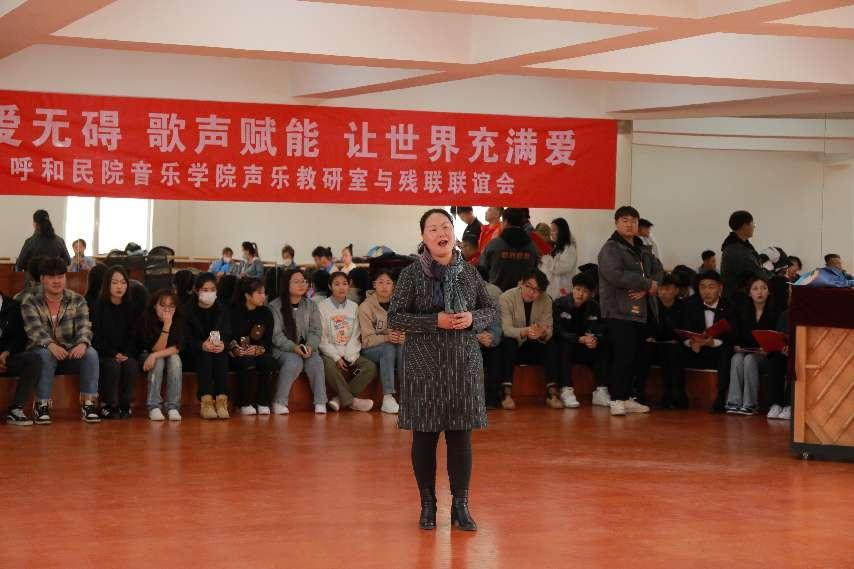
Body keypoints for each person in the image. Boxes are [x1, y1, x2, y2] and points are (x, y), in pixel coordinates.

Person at [388, 208, 497, 532]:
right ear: (423, 237)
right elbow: (395, 317)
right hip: (424, 367)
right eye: (433, 228)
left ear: (454, 232)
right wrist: (434, 321)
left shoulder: (469, 272)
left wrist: (472, 319)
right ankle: (428, 505)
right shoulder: (411, 274)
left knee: (460, 439)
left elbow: (490, 309)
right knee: (424, 439)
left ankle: (460, 506)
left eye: (446, 226)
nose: (441, 233)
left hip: (462, 366)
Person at [597, 206, 663, 416]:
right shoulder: (610, 248)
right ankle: (616, 399)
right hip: (618, 310)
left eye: (633, 221)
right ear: (616, 223)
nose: (629, 224)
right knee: (623, 355)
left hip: (642, 311)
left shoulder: (644, 248)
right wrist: (647, 284)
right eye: (624, 220)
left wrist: (648, 288)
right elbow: (615, 275)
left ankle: (627, 398)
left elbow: (659, 271)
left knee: (637, 355)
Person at [21, 258, 100, 424]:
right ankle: (41, 405)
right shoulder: (31, 300)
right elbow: (34, 330)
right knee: (46, 354)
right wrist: (50, 345)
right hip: (40, 348)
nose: (57, 281)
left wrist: (82, 343)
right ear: (42, 279)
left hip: (69, 348)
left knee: (91, 353)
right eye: (51, 277)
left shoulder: (77, 299)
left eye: (61, 276)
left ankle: (88, 404)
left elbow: (85, 326)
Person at [317, 272, 378, 412]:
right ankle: (352, 401)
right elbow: (322, 338)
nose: (341, 287)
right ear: (330, 286)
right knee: (328, 366)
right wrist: (336, 357)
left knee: (370, 367)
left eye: (344, 284)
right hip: (330, 352)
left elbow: (356, 334)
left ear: (349, 285)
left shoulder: (354, 307)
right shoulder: (322, 307)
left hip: (350, 351)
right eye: (337, 284)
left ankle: (340, 399)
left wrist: (349, 355)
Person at [498, 268, 558, 409]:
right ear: (520, 283)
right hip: (515, 344)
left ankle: (552, 393)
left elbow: (548, 329)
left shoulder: (546, 300)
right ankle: (506, 394)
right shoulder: (506, 297)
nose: (531, 292)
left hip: (534, 344)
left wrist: (542, 333)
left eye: (537, 290)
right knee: (508, 342)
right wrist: (525, 331)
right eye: (528, 286)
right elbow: (505, 329)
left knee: (551, 344)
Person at [270, 269, 328, 415]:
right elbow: (276, 335)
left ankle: (320, 402)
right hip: (283, 349)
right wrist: (294, 347)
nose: (302, 285)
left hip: (306, 348)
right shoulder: (274, 306)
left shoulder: (311, 305)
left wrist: (310, 346)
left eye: (304, 281)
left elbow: (316, 330)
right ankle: (279, 401)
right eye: (296, 282)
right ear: (286, 284)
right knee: (294, 362)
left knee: (316, 362)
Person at [681, 271, 736, 413]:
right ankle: (678, 396)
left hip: (718, 350)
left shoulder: (730, 307)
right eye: (702, 287)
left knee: (726, 352)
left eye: (711, 287)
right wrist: (691, 342)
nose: (706, 291)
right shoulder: (690, 305)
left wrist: (712, 343)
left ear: (720, 288)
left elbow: (733, 335)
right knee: (674, 351)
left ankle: (720, 398)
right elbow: (684, 330)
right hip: (697, 349)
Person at [552, 272, 608, 409]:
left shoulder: (594, 307)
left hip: (585, 347)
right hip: (566, 347)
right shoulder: (559, 304)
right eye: (578, 289)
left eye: (585, 291)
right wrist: (578, 339)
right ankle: (566, 389)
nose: (580, 294)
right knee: (564, 345)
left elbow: (600, 329)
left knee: (603, 346)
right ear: (572, 288)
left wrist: (595, 339)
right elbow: (557, 331)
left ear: (591, 294)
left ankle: (601, 390)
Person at [91, 266, 139, 419]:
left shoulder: (132, 307)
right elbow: (96, 336)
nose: (119, 286)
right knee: (112, 365)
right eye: (115, 282)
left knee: (131, 364)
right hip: (104, 352)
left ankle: (126, 405)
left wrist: (125, 353)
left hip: (125, 353)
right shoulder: (98, 306)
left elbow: (134, 335)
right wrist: (113, 353)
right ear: (107, 284)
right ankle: (108, 404)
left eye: (123, 282)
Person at [726, 276, 778, 415]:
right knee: (736, 358)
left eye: (763, 288)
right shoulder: (742, 312)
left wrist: (767, 349)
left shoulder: (776, 312)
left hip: (767, 356)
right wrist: (737, 346)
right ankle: (734, 402)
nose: (759, 292)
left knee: (749, 359)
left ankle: (750, 404)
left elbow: (777, 339)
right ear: (749, 293)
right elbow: (736, 336)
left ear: (769, 291)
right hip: (747, 352)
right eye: (755, 289)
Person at [184, 273, 231, 419]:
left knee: (220, 355)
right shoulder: (187, 311)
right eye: (205, 290)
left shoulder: (222, 310)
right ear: (197, 290)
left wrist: (223, 344)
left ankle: (222, 401)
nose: (209, 293)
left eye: (212, 289)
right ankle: (206, 402)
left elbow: (227, 334)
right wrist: (201, 345)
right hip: (193, 353)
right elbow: (184, 338)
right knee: (204, 355)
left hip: (216, 351)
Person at [228, 278, 276, 415]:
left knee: (268, 362)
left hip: (258, 351)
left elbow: (268, 339)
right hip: (237, 352)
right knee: (247, 362)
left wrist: (258, 349)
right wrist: (236, 349)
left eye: (264, 293)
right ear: (247, 295)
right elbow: (227, 335)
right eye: (259, 293)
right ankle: (244, 403)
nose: (263, 296)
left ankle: (263, 402)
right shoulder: (233, 312)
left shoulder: (266, 312)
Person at [358, 270, 403, 414]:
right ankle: (388, 398)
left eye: (388, 283)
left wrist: (404, 336)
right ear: (374, 285)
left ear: (393, 286)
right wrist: (386, 337)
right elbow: (366, 340)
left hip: (394, 346)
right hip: (370, 349)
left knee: (404, 347)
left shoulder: (400, 304)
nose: (384, 286)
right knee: (388, 349)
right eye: (381, 282)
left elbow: (408, 327)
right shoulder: (365, 307)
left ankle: (408, 395)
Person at [641, 273, 688, 409]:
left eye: (667, 289)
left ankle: (674, 397)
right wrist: (651, 336)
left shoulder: (683, 307)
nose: (663, 292)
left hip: (676, 346)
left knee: (673, 353)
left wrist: (676, 339)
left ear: (676, 290)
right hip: (657, 345)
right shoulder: (652, 305)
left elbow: (685, 330)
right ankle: (639, 393)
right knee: (643, 350)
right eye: (661, 288)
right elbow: (648, 327)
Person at [138, 289, 184, 421]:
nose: (167, 310)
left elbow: (177, 348)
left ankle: (173, 407)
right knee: (158, 361)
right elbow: (156, 349)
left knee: (175, 359)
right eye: (163, 306)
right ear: (154, 306)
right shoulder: (146, 318)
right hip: (146, 354)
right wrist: (166, 326)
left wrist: (155, 355)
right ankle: (154, 406)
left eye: (171, 306)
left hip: (166, 354)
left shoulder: (179, 318)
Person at [1, 291, 42, 425]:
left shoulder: (13, 306)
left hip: (6, 358)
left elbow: (19, 337)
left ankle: (16, 409)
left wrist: (7, 352)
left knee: (33, 359)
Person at [480, 207, 540, 291]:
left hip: (497, 294)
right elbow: (535, 269)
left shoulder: (494, 244)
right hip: (523, 294)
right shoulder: (532, 247)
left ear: (506, 221)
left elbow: (483, 268)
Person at [476, 266, 503, 409]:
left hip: (485, 338)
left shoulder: (492, 294)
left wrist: (491, 337)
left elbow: (496, 324)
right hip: (463, 339)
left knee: (497, 349)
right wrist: (476, 337)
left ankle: (493, 397)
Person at [720, 210, 762, 302]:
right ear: (745, 226)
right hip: (738, 301)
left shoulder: (742, 246)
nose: (754, 226)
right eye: (752, 224)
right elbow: (756, 273)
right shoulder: (735, 250)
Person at [539, 217, 578, 300]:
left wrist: (545, 258)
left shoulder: (569, 249)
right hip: (551, 289)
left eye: (554, 230)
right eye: (551, 230)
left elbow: (559, 268)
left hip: (561, 289)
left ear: (562, 231)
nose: (551, 233)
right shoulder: (557, 246)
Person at [766, 307, 791, 420]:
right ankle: (776, 404)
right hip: (784, 353)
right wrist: (781, 348)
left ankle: (789, 404)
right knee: (774, 359)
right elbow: (779, 337)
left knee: (796, 361)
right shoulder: (785, 315)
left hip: (800, 353)